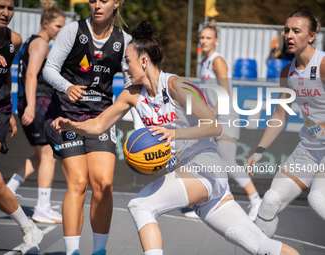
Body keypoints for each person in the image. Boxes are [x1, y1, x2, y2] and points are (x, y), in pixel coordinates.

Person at [51, 21, 300, 255]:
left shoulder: (177, 86)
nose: (124, 67)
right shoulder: (131, 95)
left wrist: (175, 133)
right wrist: (73, 124)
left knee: (141, 205)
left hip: (204, 167)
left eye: (127, 61)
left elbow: (213, 127)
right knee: (261, 246)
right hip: (198, 183)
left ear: (144, 61)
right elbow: (98, 126)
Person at [42, 0, 140, 254]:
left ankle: (99, 250)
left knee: (104, 182)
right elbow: (49, 69)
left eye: (104, 0)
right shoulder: (73, 31)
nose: (97, 5)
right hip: (66, 115)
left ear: (116, 3)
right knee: (78, 182)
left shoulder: (124, 40)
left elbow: (131, 86)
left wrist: (141, 123)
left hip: (100, 119)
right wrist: (67, 86)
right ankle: (72, 251)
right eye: (93, 0)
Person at [247, 9, 325, 238]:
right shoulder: (287, 72)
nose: (289, 35)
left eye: (296, 31)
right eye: (287, 30)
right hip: (310, 148)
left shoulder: (322, 64)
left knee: (318, 200)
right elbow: (281, 114)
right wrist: (260, 149)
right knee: (269, 202)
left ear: (311, 36)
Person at [185, 20, 262, 221]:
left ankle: (256, 201)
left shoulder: (218, 61)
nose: (204, 41)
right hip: (214, 116)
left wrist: (212, 115)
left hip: (225, 116)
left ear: (216, 41)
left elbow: (225, 92)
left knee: (227, 162)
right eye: (202, 37)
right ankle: (205, 203)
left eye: (208, 38)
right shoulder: (205, 61)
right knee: (206, 159)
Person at [0, 0, 43, 253]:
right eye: (0, 6)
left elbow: (6, 70)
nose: (6, 12)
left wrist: (9, 109)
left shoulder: (15, 40)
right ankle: (30, 229)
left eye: (10, 7)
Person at [6, 0, 65, 224]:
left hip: (32, 101)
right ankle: (42, 207)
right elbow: (31, 75)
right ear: (46, 23)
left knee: (41, 156)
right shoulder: (41, 44)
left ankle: (9, 189)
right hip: (37, 102)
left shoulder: (33, 41)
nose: (60, 30)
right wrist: (31, 105)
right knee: (49, 155)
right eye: (58, 26)